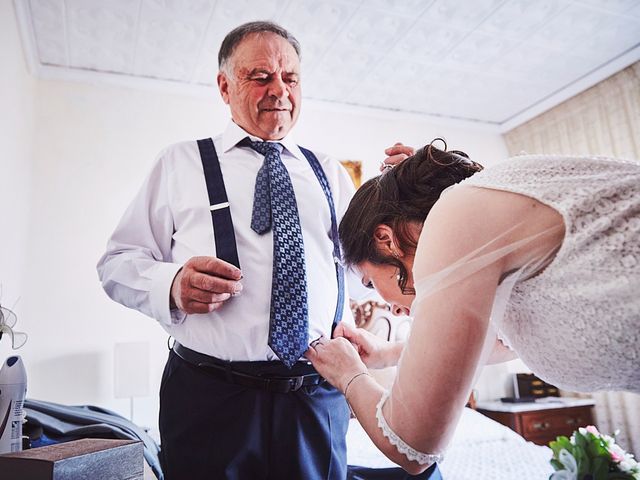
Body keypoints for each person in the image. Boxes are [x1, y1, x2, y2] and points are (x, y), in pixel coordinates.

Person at [97, 21, 359, 480]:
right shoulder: (179, 162)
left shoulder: (332, 174)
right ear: (225, 86)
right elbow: (116, 264)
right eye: (260, 76)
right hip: (209, 399)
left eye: (290, 78)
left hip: (315, 399)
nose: (279, 90)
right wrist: (172, 284)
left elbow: (363, 272)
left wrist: (402, 198)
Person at [306, 139, 640, 475]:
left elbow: (413, 446)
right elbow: (499, 342)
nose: (388, 307)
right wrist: (388, 354)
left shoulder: (456, 219)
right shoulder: (487, 230)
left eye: (369, 282)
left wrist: (348, 374)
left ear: (386, 240)